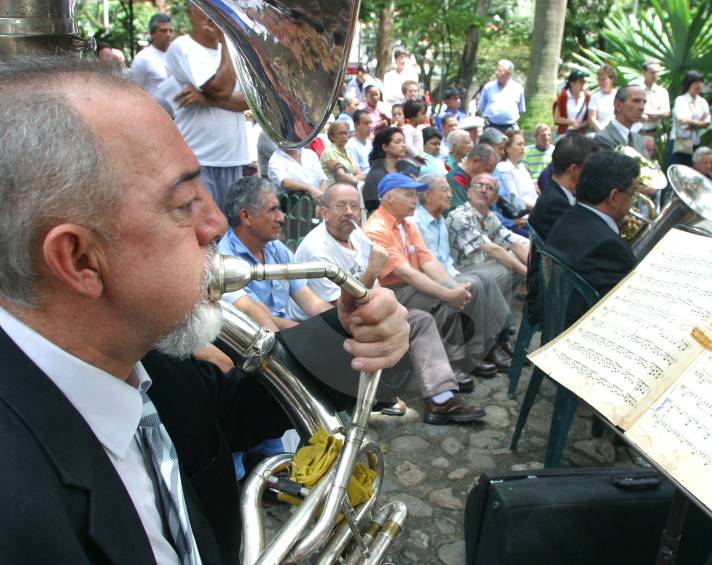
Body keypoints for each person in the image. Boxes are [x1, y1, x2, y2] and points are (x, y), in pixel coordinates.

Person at [0, 57, 409, 565]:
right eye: (184, 203)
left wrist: (346, 329)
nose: (215, 223)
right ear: (80, 259)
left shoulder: (137, 346)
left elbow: (228, 411)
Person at [293, 184, 487, 420]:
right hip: (328, 323)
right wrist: (373, 271)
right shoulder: (316, 248)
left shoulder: (356, 235)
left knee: (417, 318)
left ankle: (440, 394)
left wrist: (388, 305)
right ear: (323, 212)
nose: (349, 212)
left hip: (361, 307)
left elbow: (376, 287)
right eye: (340, 206)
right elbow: (342, 309)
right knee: (415, 320)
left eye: (355, 206)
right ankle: (419, 395)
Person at [364, 173, 506, 375]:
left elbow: (428, 261)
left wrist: (455, 288)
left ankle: (475, 356)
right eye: (409, 194)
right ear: (389, 198)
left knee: (468, 289)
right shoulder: (376, 228)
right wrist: (449, 294)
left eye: (416, 195)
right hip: (391, 292)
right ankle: (453, 364)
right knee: (442, 299)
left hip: (410, 286)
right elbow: (407, 274)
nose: (415, 200)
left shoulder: (407, 224)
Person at [411, 174, 516, 365]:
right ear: (427, 195)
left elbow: (446, 261)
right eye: (445, 190)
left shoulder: (439, 220)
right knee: (476, 283)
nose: (450, 194)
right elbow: (425, 265)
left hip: (450, 271)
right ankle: (479, 352)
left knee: (486, 277)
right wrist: (453, 284)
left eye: (450, 190)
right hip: (432, 278)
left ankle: (499, 338)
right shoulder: (416, 222)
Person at [166, 3, 251, 212]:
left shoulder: (233, 50)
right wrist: (225, 40)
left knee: (232, 230)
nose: (212, 14)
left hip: (233, 157)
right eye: (205, 6)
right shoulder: (183, 46)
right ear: (189, 14)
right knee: (204, 230)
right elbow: (222, 89)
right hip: (199, 158)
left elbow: (250, 102)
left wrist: (208, 100)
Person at [545, 151, 640, 317]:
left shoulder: (567, 218)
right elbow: (627, 310)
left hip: (558, 319)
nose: (633, 202)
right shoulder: (609, 246)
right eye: (632, 195)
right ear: (614, 197)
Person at [526, 135, 599, 325]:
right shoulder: (555, 203)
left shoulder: (558, 195)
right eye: (590, 169)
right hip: (550, 297)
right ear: (574, 169)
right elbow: (575, 253)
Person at [446, 173, 530, 306]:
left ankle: (501, 311)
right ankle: (496, 315)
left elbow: (513, 242)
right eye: (479, 185)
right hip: (460, 269)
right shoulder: (460, 216)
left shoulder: (490, 216)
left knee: (524, 247)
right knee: (504, 269)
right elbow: (493, 250)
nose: (483, 190)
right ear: (469, 193)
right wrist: (528, 273)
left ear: (495, 198)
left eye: (489, 188)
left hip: (481, 264)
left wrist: (534, 269)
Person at [362, 126, 418, 213]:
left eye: (403, 142)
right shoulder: (376, 174)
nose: (403, 145)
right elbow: (383, 205)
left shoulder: (404, 167)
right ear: (385, 147)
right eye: (397, 142)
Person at [129, 13, 174, 115]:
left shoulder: (177, 54)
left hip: (181, 120)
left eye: (170, 31)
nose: (168, 34)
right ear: (152, 34)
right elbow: (133, 90)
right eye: (163, 31)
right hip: (155, 118)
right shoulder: (143, 58)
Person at [595, 85, 649, 157]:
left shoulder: (638, 139)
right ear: (618, 105)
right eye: (636, 101)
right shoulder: (603, 138)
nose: (642, 107)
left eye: (644, 102)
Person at [670, 70, 710, 167]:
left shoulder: (703, 102)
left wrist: (691, 123)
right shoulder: (681, 100)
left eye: (701, 82)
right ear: (688, 84)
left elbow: (706, 123)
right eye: (695, 82)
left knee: (691, 172)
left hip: (695, 142)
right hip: (680, 141)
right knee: (677, 169)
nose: (699, 85)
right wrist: (699, 123)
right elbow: (682, 120)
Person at [446, 143, 500, 209]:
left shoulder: (474, 179)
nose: (488, 176)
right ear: (475, 161)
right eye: (487, 170)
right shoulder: (455, 179)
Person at [497, 128, 538, 212]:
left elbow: (533, 195)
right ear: (507, 148)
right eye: (519, 144)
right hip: (524, 215)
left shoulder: (521, 167)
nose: (523, 148)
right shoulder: (504, 168)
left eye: (524, 144)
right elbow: (515, 200)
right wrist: (539, 208)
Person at [477, 59, 526, 131]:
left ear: (508, 73)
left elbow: (521, 110)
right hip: (490, 126)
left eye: (500, 71)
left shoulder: (518, 88)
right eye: (496, 70)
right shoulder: (488, 87)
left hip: (510, 127)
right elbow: (481, 108)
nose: (496, 73)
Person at [321, 120, 364, 186]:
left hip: (352, 186)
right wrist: (358, 181)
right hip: (336, 190)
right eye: (340, 133)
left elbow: (361, 175)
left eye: (345, 133)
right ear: (332, 136)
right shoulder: (329, 152)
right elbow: (341, 177)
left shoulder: (349, 152)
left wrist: (352, 179)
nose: (344, 136)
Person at [554, 69, 590, 139]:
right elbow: (557, 118)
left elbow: (590, 118)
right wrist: (570, 121)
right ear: (572, 83)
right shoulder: (563, 97)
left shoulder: (587, 97)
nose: (583, 84)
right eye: (580, 82)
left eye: (583, 81)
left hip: (581, 132)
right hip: (565, 132)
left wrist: (581, 124)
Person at [638, 60, 671, 137]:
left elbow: (666, 113)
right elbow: (631, 110)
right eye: (652, 72)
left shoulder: (662, 91)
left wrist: (646, 113)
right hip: (637, 132)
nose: (655, 75)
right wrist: (657, 114)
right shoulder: (636, 90)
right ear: (644, 72)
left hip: (656, 133)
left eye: (657, 72)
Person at [588, 64, 617, 133]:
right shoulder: (595, 96)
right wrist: (603, 132)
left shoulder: (619, 95)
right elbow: (592, 118)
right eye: (599, 79)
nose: (601, 82)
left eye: (604, 79)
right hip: (601, 131)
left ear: (612, 79)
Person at [401, 98, 428, 166]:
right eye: (423, 114)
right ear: (413, 115)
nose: (425, 116)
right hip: (409, 163)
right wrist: (417, 156)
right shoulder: (407, 129)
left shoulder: (418, 129)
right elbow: (408, 146)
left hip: (416, 164)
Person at [347, 109, 373, 175]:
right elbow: (356, 172)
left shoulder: (370, 143)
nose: (370, 126)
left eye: (370, 123)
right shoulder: (350, 146)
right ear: (356, 125)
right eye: (366, 123)